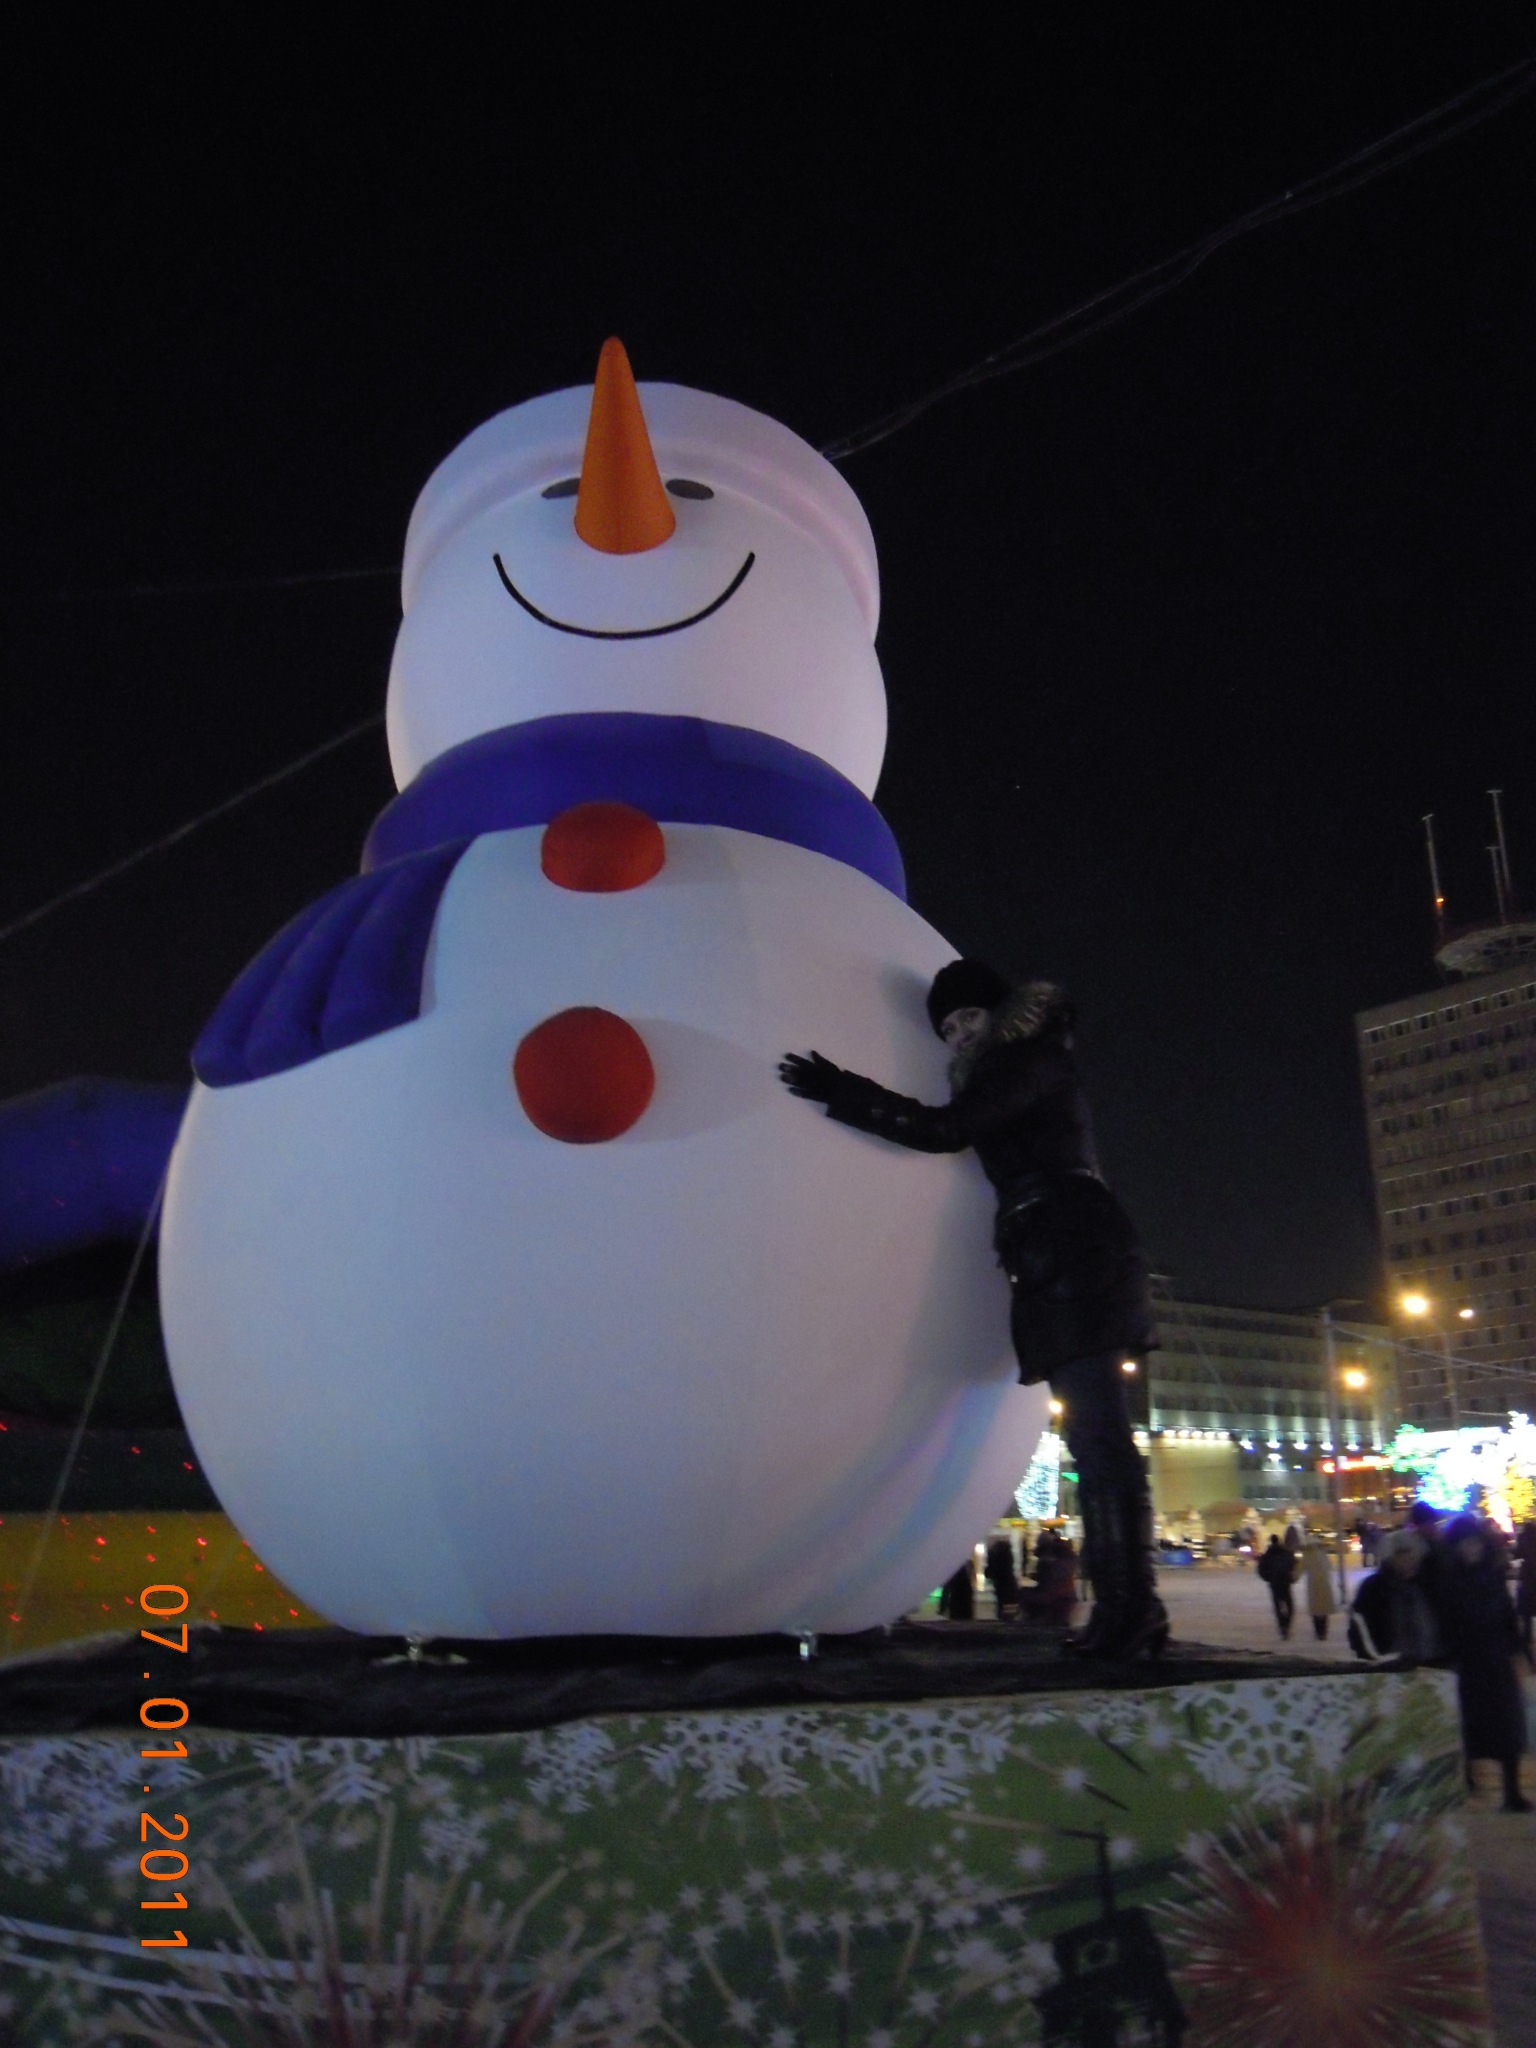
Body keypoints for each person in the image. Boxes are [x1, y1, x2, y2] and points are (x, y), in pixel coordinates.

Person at [780, 962, 1163, 1659]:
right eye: (947, 1028)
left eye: (967, 1019)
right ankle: (1131, 1612)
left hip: (1073, 1249)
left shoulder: (1028, 1059)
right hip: (1062, 1248)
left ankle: (1131, 1614)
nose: (957, 1035)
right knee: (1097, 1438)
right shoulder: (1022, 1063)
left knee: (1100, 1438)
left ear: (999, 1011)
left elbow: (948, 1128)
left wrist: (845, 1091)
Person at [1433, 1514, 1530, 1812]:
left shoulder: (1492, 1574)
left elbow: (1507, 1615)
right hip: (1466, 1663)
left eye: (1473, 1543)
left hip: (1496, 1660)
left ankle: (1512, 1792)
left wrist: (1518, 1651)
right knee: (1466, 1725)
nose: (1470, 1550)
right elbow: (1445, 1624)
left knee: (1507, 1725)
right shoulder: (1448, 1580)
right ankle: (1466, 1785)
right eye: (1463, 1545)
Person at [1348, 1529, 1442, 1664]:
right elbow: (1360, 1627)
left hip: (1430, 1664)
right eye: (1404, 1558)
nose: (1410, 1563)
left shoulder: (1426, 1586)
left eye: (1413, 1558)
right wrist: (1376, 1658)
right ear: (1391, 1559)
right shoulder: (1374, 1588)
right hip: (1389, 1666)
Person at [1257, 1534, 1296, 1639]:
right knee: (1289, 1605)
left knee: (1278, 1606)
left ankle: (1282, 1625)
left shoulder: (1267, 1555)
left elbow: (1261, 1569)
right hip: (1285, 1582)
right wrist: (1291, 1576)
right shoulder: (1286, 1553)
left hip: (1274, 1583)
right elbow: (1293, 1563)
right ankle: (1286, 1623)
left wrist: (1268, 1578)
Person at [1301, 1533, 1337, 1641]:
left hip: (1312, 1584)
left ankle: (1318, 1632)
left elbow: (1300, 1568)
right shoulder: (1323, 1553)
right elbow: (1329, 1567)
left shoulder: (1307, 1554)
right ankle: (1323, 1632)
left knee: (1316, 1610)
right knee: (1324, 1610)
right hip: (1324, 1584)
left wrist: (1292, 1577)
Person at [1514, 1518, 1536, 1660]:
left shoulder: (1523, 1538)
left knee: (1526, 1612)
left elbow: (1517, 1553)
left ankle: (1527, 1638)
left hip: (1528, 1576)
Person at [984, 1534, 1020, 1618]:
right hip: (1011, 1591)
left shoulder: (996, 1562)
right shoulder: (1008, 1559)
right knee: (1009, 1615)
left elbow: (988, 1573)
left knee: (1004, 1615)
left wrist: (989, 1559)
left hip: (1002, 1592)